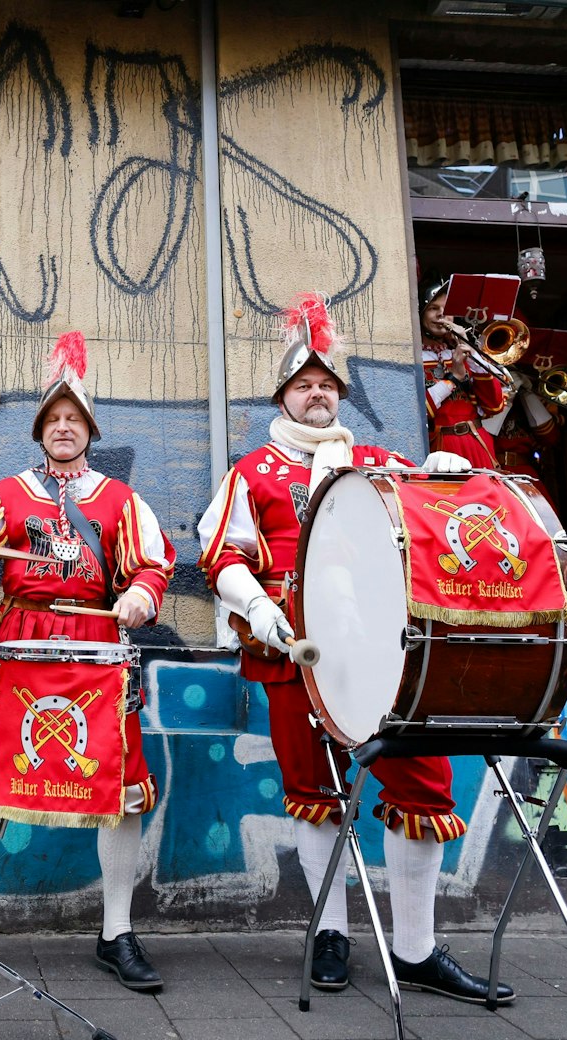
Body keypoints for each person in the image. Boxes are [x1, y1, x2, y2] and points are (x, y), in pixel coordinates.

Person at [196, 291, 510, 1004]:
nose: (317, 394)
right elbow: (222, 554)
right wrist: (259, 609)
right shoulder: (254, 471)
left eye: (327, 385)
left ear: (339, 395)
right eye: (304, 385)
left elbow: (427, 514)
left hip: (380, 655)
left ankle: (416, 948)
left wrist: (444, 470)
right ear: (283, 396)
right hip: (294, 655)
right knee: (313, 793)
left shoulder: (375, 462)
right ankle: (331, 932)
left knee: (423, 784)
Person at [0, 330, 176, 991]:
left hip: (99, 651)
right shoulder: (7, 494)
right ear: (41, 431)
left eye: (74, 419)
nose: (64, 428)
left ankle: (116, 932)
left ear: (89, 430)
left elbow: (152, 564)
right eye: (54, 419)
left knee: (121, 790)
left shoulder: (119, 500)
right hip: (20, 653)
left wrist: (141, 596)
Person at [420, 279, 509, 470]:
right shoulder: (414, 358)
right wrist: (453, 379)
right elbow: (419, 411)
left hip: (477, 443)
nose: (441, 314)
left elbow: (494, 406)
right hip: (441, 449)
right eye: (433, 308)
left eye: (447, 309)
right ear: (421, 314)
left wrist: (472, 353)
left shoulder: (464, 353)